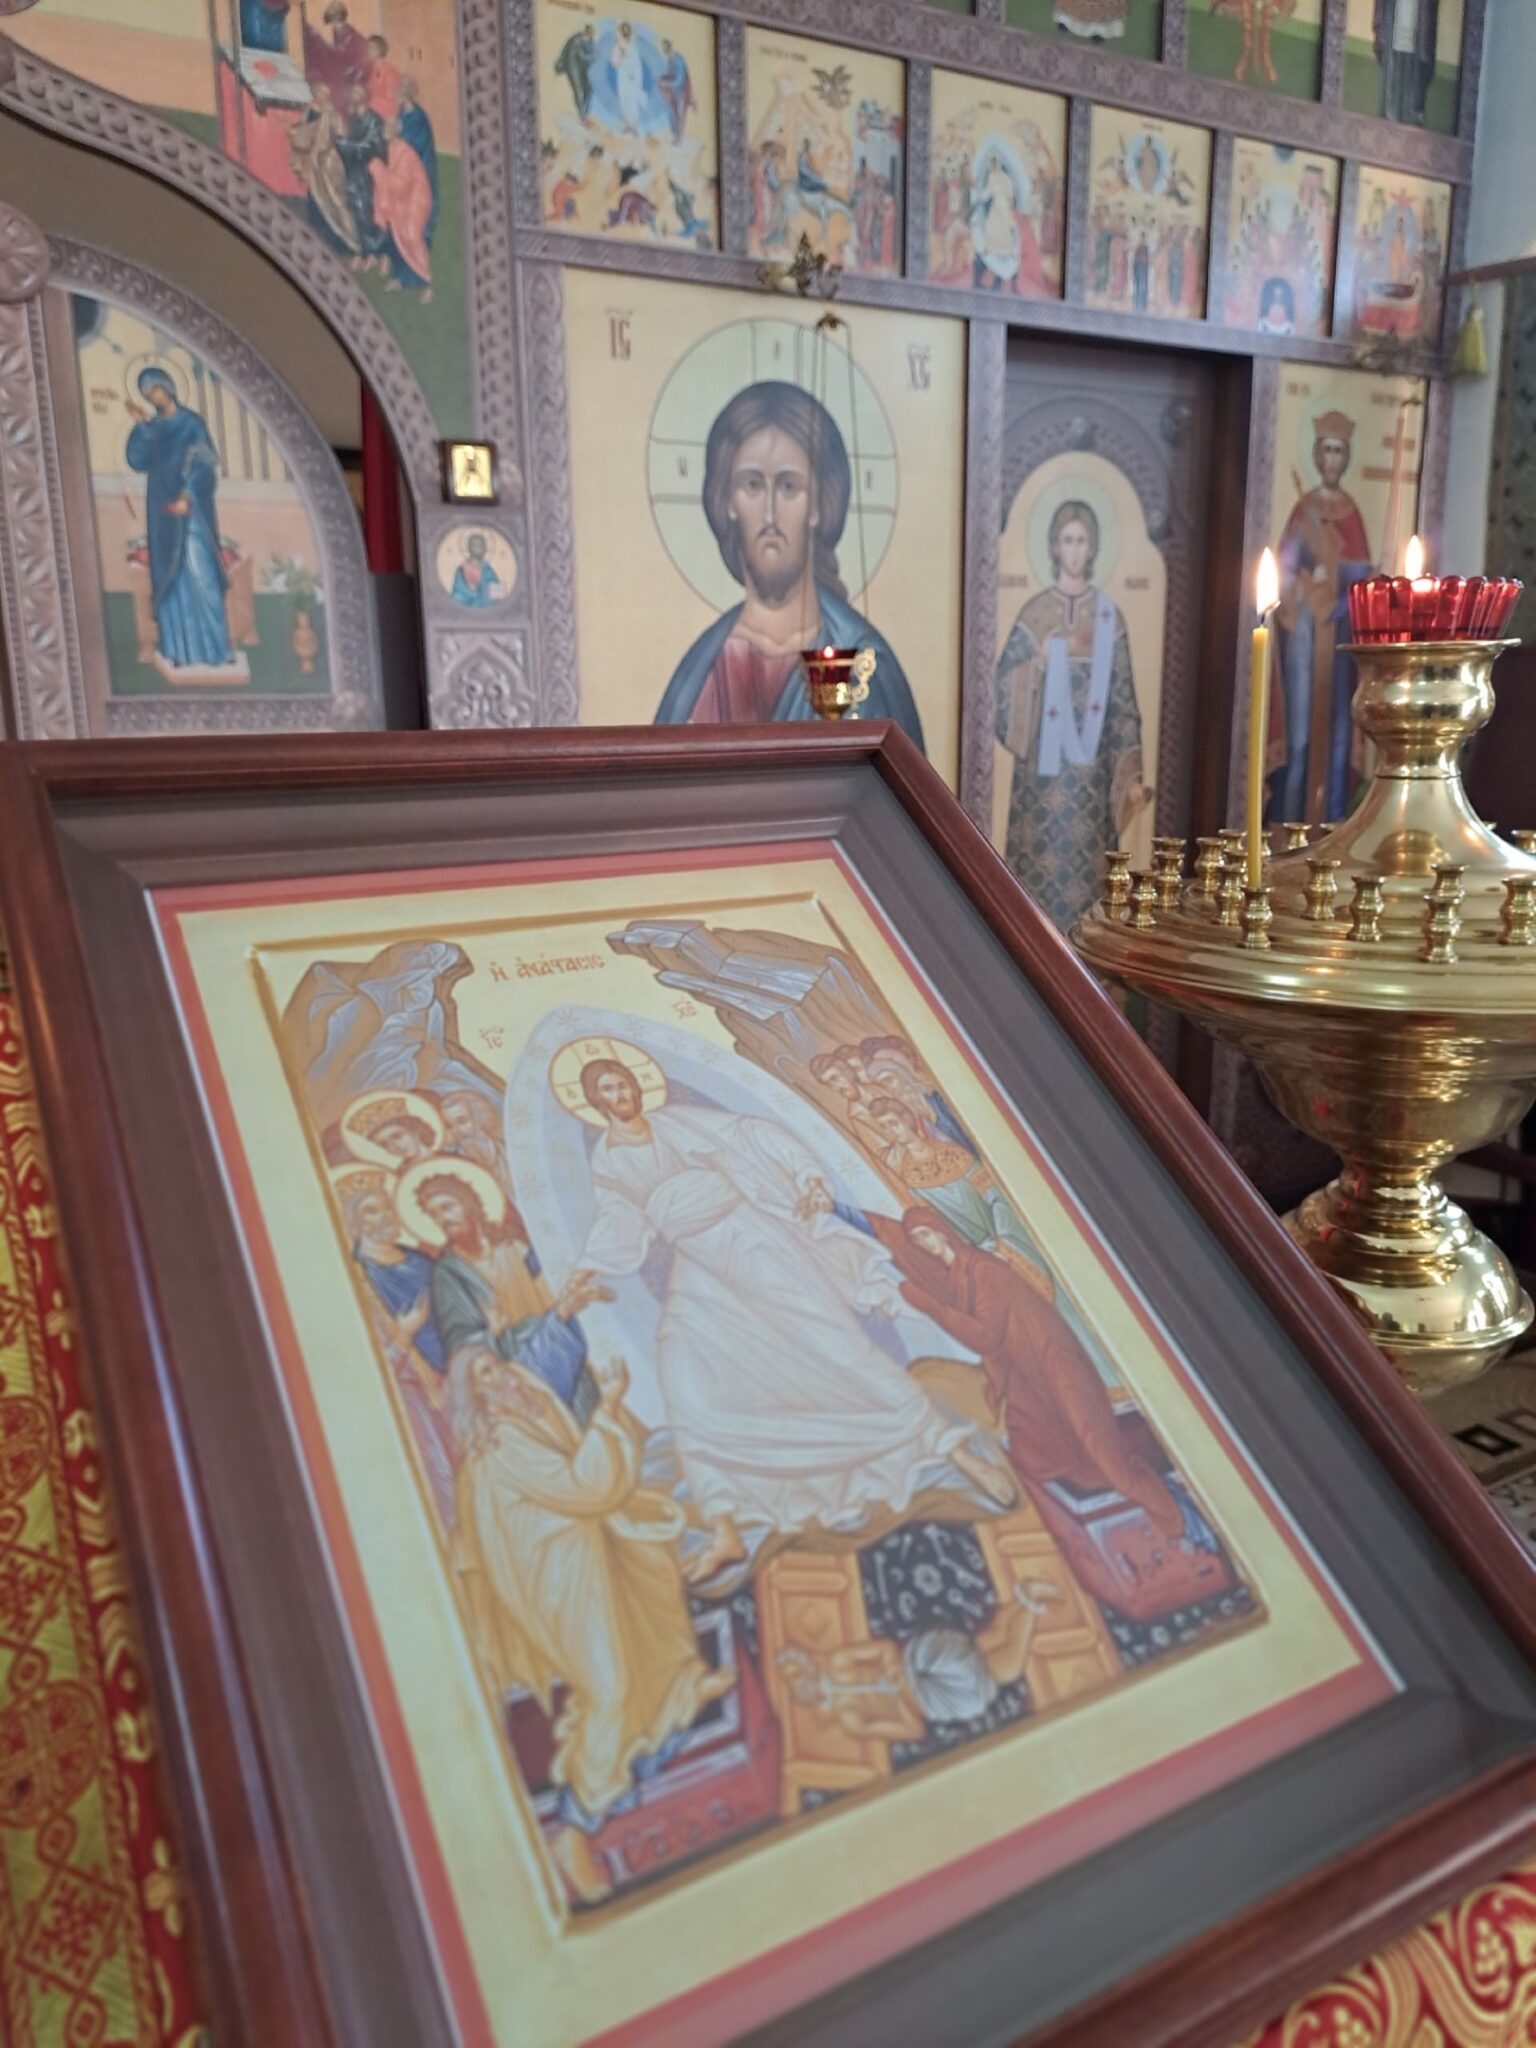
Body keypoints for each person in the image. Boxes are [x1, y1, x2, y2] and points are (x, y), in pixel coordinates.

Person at [563, 1054, 1013, 1584]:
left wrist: (808, 1177)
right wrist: (584, 1271)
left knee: (833, 1343)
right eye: (609, 1090)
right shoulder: (609, 1160)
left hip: (749, 1238)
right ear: (595, 1103)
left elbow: (753, 1132)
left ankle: (953, 1451)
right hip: (698, 1263)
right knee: (683, 1365)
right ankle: (725, 1527)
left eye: (624, 1084)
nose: (621, 1095)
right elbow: (619, 1219)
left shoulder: (676, 1123)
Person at [450, 1347, 733, 1904]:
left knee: (649, 1603)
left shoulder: (525, 1413)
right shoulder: (501, 1442)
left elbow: (581, 1482)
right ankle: (575, 1827)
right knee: (607, 1687)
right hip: (556, 1578)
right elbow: (582, 1488)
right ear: (474, 1395)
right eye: (484, 1374)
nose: (499, 1374)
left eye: (496, 1364)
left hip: (581, 1552)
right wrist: (607, 1408)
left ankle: (677, 1699)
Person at [877, 1208, 1187, 1541]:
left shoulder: (984, 1270)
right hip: (1024, 1373)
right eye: (916, 1240)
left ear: (941, 1230)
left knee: (1101, 1449)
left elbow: (986, 1336)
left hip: (1054, 1363)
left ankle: (1173, 1519)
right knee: (1033, 1454)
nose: (923, 1243)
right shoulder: (957, 1277)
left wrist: (929, 1306)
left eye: (925, 1234)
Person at [654, 381, 924, 744]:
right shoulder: (700, 669)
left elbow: (899, 775)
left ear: (818, 505)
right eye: (752, 485)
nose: (769, 515)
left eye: (788, 487)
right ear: (728, 501)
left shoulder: (864, 661)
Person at [995, 498, 1148, 931]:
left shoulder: (1109, 618)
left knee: (1090, 885)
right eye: (1067, 540)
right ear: (1054, 546)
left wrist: (1131, 774)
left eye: (1082, 541)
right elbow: (1001, 689)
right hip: (1040, 787)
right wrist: (1037, 664)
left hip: (1092, 785)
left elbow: (1123, 702)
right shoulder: (1035, 613)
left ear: (1093, 547)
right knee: (1035, 889)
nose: (1075, 550)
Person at [418, 1167, 603, 1416]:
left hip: (558, 1345)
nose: (443, 1219)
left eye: (447, 1207)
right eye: (434, 1215)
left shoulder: (514, 1245)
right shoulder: (448, 1272)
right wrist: (492, 1332)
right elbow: (458, 1346)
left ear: (468, 1204)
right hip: (517, 1368)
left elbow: (551, 1288)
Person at [1271, 410, 1374, 823]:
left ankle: (1331, 827)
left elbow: (1363, 586)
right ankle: (1288, 826)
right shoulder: (1304, 510)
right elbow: (1281, 575)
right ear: (1317, 455)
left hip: (1340, 641)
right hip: (1303, 640)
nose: (1332, 459)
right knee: (1299, 737)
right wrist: (1304, 590)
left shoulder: (1353, 515)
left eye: (1339, 451)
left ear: (1346, 458)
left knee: (1337, 739)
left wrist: (1338, 604)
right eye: (1326, 450)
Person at [344, 1176, 456, 1528]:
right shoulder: (355, 1277)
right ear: (354, 1222)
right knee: (442, 1475)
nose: (384, 1216)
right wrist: (404, 1336)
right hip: (410, 1390)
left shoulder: (422, 1261)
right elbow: (357, 1363)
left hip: (453, 1375)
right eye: (371, 1211)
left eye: (387, 1207)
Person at [125, 369, 235, 673]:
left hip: (192, 509)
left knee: (201, 572)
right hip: (162, 512)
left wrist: (188, 493)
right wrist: (141, 428)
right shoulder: (153, 428)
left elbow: (205, 463)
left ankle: (217, 649)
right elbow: (136, 460)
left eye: (156, 389)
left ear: (169, 387)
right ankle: (178, 651)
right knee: (170, 578)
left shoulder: (192, 423)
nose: (153, 397)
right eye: (147, 394)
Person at [288, 83, 359, 258]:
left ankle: (346, 240)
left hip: (329, 164)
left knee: (335, 200)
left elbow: (341, 135)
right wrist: (295, 132)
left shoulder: (332, 114)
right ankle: (319, 239)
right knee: (316, 201)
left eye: (325, 93)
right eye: (319, 92)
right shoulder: (309, 111)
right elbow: (302, 133)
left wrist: (325, 142)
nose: (322, 96)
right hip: (314, 167)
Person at [370, 112, 434, 295]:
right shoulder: (389, 149)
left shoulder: (405, 153)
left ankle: (425, 281)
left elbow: (401, 186)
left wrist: (379, 171)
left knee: (411, 236)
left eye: (388, 128)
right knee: (394, 234)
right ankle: (399, 278)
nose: (384, 131)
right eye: (384, 127)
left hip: (415, 200)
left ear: (395, 131)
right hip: (399, 202)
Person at [334, 82, 389, 271]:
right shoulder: (355, 119)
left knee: (367, 212)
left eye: (356, 94)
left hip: (369, 173)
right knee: (355, 211)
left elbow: (372, 145)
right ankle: (362, 252)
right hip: (354, 173)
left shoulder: (373, 120)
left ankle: (374, 253)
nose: (352, 97)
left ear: (363, 98)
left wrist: (345, 145)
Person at [1374, 0, 1440, 125]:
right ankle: (1389, 109)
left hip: (1417, 19)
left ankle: (1413, 111)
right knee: (1393, 66)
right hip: (1395, 20)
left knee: (1414, 69)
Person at [303, 0, 372, 101]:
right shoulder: (336, 35)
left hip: (343, 87)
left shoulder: (353, 38)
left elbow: (357, 66)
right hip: (334, 84)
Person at [397, 77, 438, 239]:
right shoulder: (401, 112)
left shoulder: (418, 116)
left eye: (400, 91)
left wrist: (401, 139)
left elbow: (418, 141)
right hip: (405, 162)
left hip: (419, 164)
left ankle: (419, 229)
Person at [441, 1086, 511, 1177]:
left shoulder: (505, 1150)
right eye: (450, 1126)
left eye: (462, 1121)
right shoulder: (454, 1162)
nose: (457, 1130)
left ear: (477, 1118)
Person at [554, 22, 598, 123]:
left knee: (589, 88)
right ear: (586, 33)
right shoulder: (577, 41)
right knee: (578, 91)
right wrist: (593, 57)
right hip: (572, 67)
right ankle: (582, 115)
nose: (591, 37)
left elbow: (591, 50)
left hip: (581, 68)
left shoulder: (589, 41)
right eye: (590, 35)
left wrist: (594, 53)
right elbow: (583, 57)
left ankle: (585, 112)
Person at [657, 38, 694, 144]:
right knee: (672, 113)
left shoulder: (677, 59)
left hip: (681, 92)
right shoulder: (670, 60)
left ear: (669, 48)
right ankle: (675, 136)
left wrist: (667, 84)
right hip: (674, 92)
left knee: (680, 114)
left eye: (665, 48)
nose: (664, 51)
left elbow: (680, 79)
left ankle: (679, 138)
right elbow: (670, 74)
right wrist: (662, 78)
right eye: (663, 49)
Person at [614, 20, 647, 135]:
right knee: (624, 99)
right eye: (623, 31)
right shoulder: (618, 46)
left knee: (632, 100)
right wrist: (621, 55)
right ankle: (627, 125)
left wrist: (633, 74)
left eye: (627, 31)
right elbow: (615, 62)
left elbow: (636, 63)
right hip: (623, 75)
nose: (625, 33)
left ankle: (633, 126)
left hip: (633, 78)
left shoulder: (633, 46)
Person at [365, 33, 402, 119]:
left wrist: (368, 101)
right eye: (367, 47)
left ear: (380, 49)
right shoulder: (367, 70)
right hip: (369, 114)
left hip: (384, 116)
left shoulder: (390, 71)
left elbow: (392, 103)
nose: (368, 50)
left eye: (372, 48)